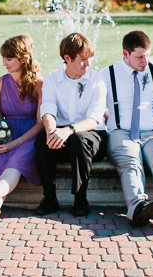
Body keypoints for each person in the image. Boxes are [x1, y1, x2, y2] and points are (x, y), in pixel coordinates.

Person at [100, 31, 153, 228]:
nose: (145, 61)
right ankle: (138, 206)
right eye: (139, 57)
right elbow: (98, 107)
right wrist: (112, 121)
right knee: (131, 161)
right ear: (125, 54)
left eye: (147, 55)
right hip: (121, 133)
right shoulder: (107, 74)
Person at [35, 33, 108, 217]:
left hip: (92, 137)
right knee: (42, 139)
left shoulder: (97, 80)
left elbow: (95, 119)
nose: (88, 64)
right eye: (83, 60)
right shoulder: (52, 79)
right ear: (67, 58)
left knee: (78, 138)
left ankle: (80, 198)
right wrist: (52, 131)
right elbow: (48, 110)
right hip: (62, 138)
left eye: (89, 59)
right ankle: (49, 198)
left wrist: (67, 130)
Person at [0, 36, 44, 222]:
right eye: (3, 58)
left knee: (14, 165)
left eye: (9, 58)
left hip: (29, 137)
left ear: (22, 59)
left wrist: (16, 143)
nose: (4, 63)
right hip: (7, 134)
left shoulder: (39, 84)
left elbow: (41, 123)